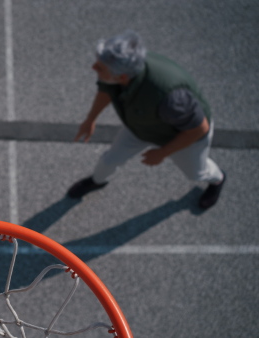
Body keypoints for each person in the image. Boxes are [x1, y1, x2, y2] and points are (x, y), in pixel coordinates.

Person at [69, 30, 225, 209]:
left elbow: (199, 129)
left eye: (99, 67)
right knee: (109, 160)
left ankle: (218, 179)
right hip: (140, 126)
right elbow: (106, 91)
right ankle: (97, 181)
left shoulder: (171, 98)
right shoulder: (120, 67)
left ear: (122, 77)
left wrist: (162, 152)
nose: (93, 67)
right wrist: (90, 120)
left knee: (196, 173)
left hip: (183, 136)